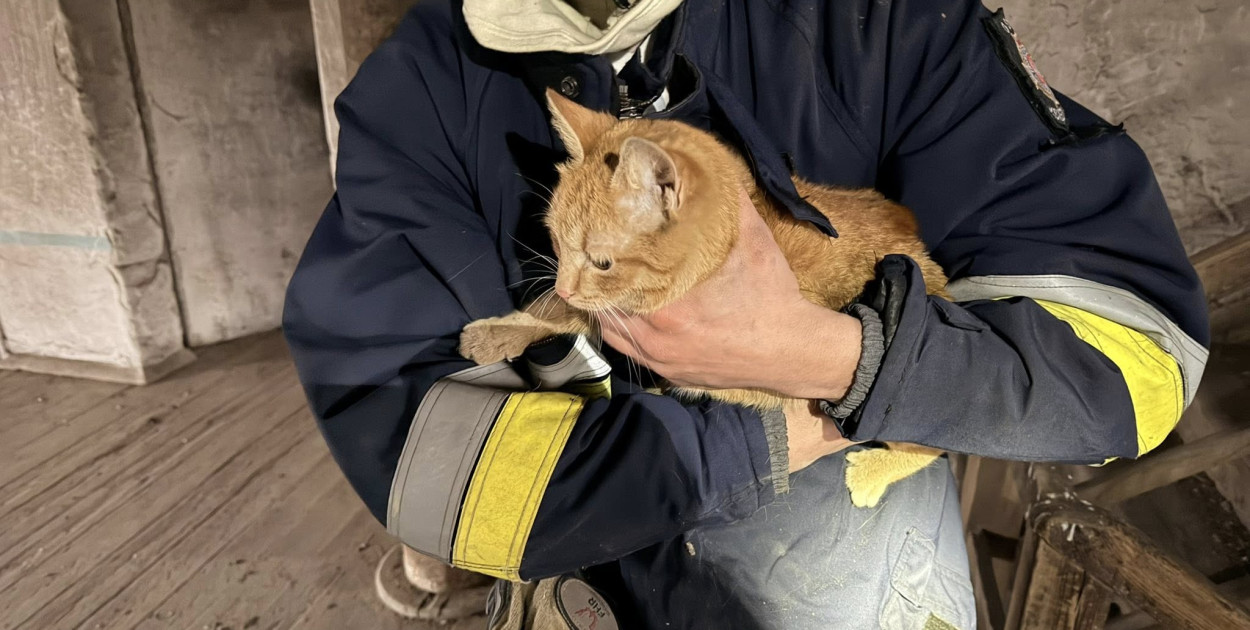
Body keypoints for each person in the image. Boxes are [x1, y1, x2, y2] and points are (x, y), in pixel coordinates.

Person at [282, 0, 1209, 627]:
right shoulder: (414, 96)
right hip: (586, 533)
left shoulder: (875, 19)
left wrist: (831, 360)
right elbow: (418, 463)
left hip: (838, 496)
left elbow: (1131, 358)